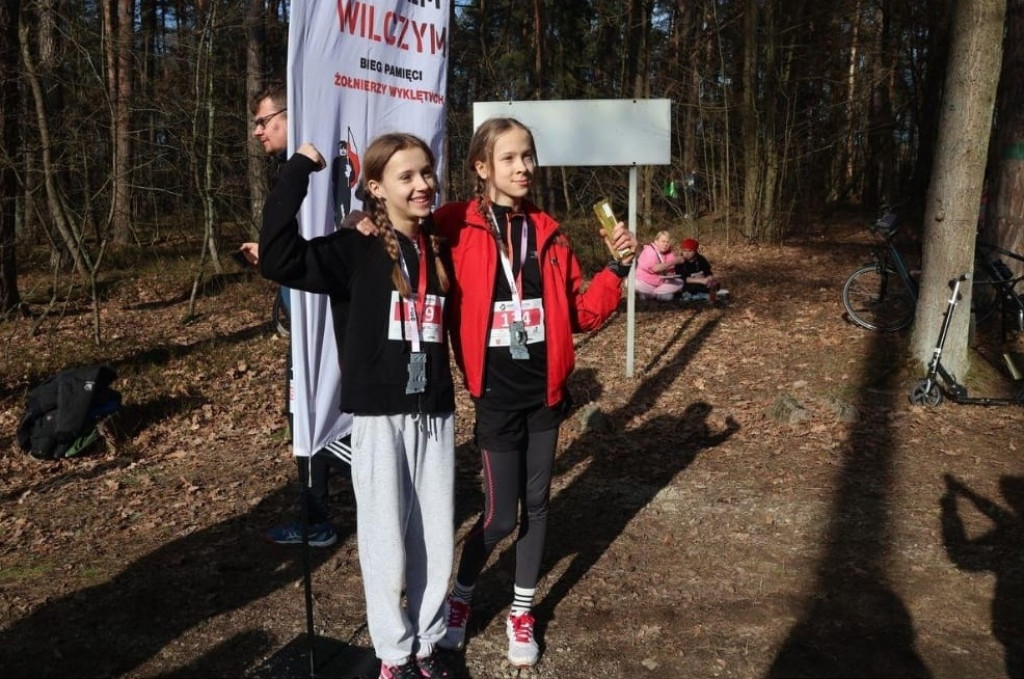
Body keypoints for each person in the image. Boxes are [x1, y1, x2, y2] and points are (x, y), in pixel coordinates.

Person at [430, 117, 637, 667]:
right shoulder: (453, 225)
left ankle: (523, 611)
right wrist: (363, 217)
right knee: (500, 516)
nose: (523, 167)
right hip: (495, 395)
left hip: (545, 393)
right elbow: (401, 233)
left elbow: (583, 312)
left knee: (538, 507)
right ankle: (462, 596)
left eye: (528, 156)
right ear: (481, 167)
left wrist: (616, 269)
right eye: (510, 158)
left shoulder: (549, 230)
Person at [259, 133, 456, 679]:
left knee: (436, 538)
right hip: (378, 416)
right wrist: (297, 168)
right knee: (385, 539)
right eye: (406, 177)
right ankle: (394, 654)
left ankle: (428, 644)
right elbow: (277, 255)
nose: (422, 185)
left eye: (427, 173)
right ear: (376, 188)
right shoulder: (354, 249)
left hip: (435, 412)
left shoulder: (440, 247)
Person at [239, 81, 350, 548]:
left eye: (265, 121)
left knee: (325, 417)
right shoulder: (295, 170)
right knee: (299, 414)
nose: (257, 132)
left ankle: (382, 500)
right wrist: (272, 256)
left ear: (291, 113)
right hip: (303, 320)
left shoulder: (313, 169)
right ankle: (315, 518)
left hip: (328, 325)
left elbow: (328, 246)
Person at [674, 237, 727, 304]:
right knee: (689, 287)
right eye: (684, 251)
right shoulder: (680, 262)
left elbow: (707, 271)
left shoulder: (701, 259)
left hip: (703, 282)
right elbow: (683, 278)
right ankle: (696, 296)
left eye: (690, 251)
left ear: (695, 251)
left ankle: (710, 297)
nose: (686, 253)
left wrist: (710, 277)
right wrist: (701, 281)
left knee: (714, 284)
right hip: (688, 284)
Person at [635, 230, 685, 301]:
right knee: (632, 283)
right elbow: (655, 268)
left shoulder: (669, 252)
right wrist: (675, 262)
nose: (666, 244)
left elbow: (670, 270)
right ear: (656, 241)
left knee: (680, 282)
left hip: (661, 283)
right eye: (663, 241)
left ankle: (653, 294)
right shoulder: (650, 250)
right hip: (645, 282)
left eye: (667, 242)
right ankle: (655, 294)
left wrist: (671, 274)